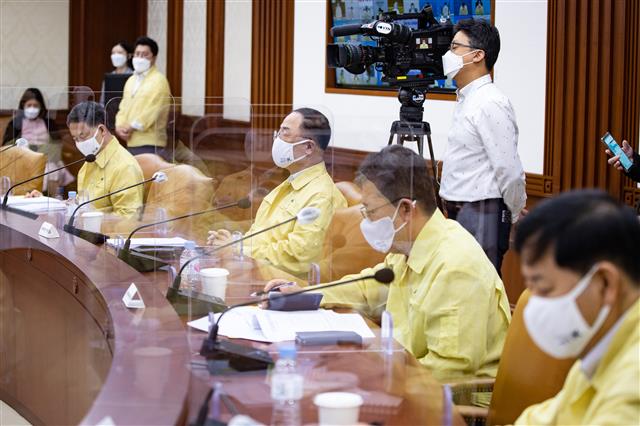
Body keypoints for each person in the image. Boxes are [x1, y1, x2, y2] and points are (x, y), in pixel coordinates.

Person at [264, 146, 511, 381]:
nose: (366, 222)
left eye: (370, 212)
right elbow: (367, 288)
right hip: (405, 376)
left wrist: (369, 373)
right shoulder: (411, 244)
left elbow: (449, 370)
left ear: (405, 209)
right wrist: (305, 294)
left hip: (453, 406)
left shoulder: (455, 266)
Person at [514, 190, 640, 425]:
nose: (533, 305)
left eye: (544, 288)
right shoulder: (600, 346)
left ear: (605, 283)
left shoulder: (633, 387)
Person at [208, 108, 347, 278]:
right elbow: (261, 236)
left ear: (309, 147)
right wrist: (232, 242)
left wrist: (239, 250)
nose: (277, 140)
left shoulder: (322, 196)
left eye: (285, 134)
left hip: (286, 287)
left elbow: (299, 256)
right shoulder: (287, 184)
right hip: (255, 274)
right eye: (278, 132)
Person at [439, 19, 526, 275]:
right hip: (460, 210)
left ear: (478, 55)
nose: (448, 54)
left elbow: (508, 170)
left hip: (482, 213)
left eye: (455, 47)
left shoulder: (490, 102)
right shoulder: (467, 97)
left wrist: (515, 211)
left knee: (477, 292)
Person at [29, 102, 143, 217]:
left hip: (103, 233)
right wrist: (47, 203)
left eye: (82, 136)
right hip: (84, 231)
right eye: (75, 139)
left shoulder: (125, 167)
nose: (79, 143)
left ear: (102, 130)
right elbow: (80, 205)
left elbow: (128, 219)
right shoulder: (91, 159)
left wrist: (91, 217)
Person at [1, 88, 74, 193]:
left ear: (41, 107)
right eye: (29, 105)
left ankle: (51, 202)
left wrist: (39, 151)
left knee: (52, 169)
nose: (32, 108)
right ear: (23, 106)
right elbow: (7, 147)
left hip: (48, 161)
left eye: (35, 106)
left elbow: (57, 147)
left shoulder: (49, 123)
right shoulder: (15, 124)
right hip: (23, 161)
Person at [115, 36, 171, 155]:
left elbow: (152, 111)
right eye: (137, 54)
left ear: (154, 58)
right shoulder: (131, 80)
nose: (140, 58)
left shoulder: (159, 80)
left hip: (151, 142)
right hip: (130, 141)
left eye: (145, 54)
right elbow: (123, 107)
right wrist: (119, 126)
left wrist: (130, 127)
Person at [99, 41, 133, 105]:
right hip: (110, 112)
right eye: (113, 53)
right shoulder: (109, 77)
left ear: (129, 55)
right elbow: (102, 101)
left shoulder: (134, 76)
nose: (116, 55)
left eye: (120, 53)